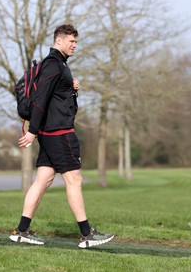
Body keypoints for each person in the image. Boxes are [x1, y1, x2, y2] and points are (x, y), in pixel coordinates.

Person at [9, 24, 114, 248]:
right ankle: (87, 234)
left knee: (43, 180)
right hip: (59, 133)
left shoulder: (59, 65)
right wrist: (32, 132)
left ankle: (22, 230)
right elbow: (40, 100)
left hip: (52, 133)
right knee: (74, 180)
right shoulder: (54, 66)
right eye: (71, 41)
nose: (75, 46)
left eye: (76, 42)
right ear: (59, 41)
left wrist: (72, 89)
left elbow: (56, 97)